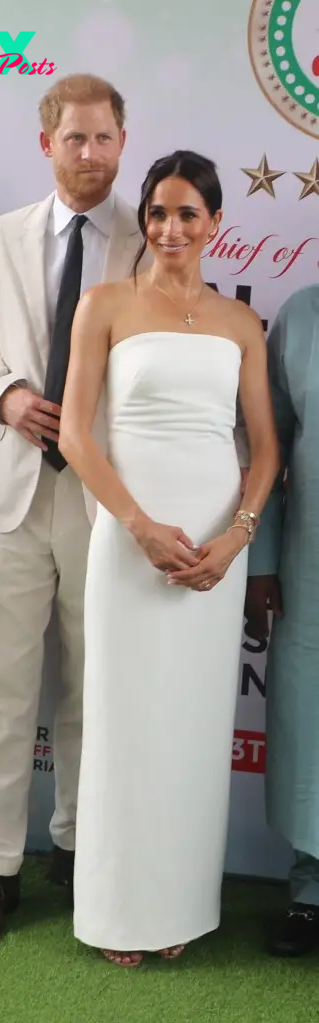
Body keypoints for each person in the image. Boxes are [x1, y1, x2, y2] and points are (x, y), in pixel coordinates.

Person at [58, 150, 279, 966]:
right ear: (143, 218)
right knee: (126, 723)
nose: (171, 228)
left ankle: (180, 904)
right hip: (129, 541)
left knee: (190, 729)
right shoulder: (105, 304)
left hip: (215, 555)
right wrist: (139, 526)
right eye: (157, 212)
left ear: (216, 222)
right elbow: (78, 434)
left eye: (188, 213)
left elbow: (263, 448)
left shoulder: (241, 323)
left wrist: (236, 536)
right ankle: (121, 913)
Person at [0, 72, 152, 948]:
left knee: (90, 690)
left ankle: (76, 850)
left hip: (105, 503)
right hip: (13, 499)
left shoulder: (151, 245)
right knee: (7, 693)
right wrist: (5, 398)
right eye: (74, 139)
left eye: (105, 138)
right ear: (46, 145)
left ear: (122, 141)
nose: (90, 155)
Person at [245, 286, 319, 957]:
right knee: (309, 731)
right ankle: (308, 895)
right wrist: (261, 559)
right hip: (309, 566)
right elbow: (270, 447)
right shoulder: (300, 317)